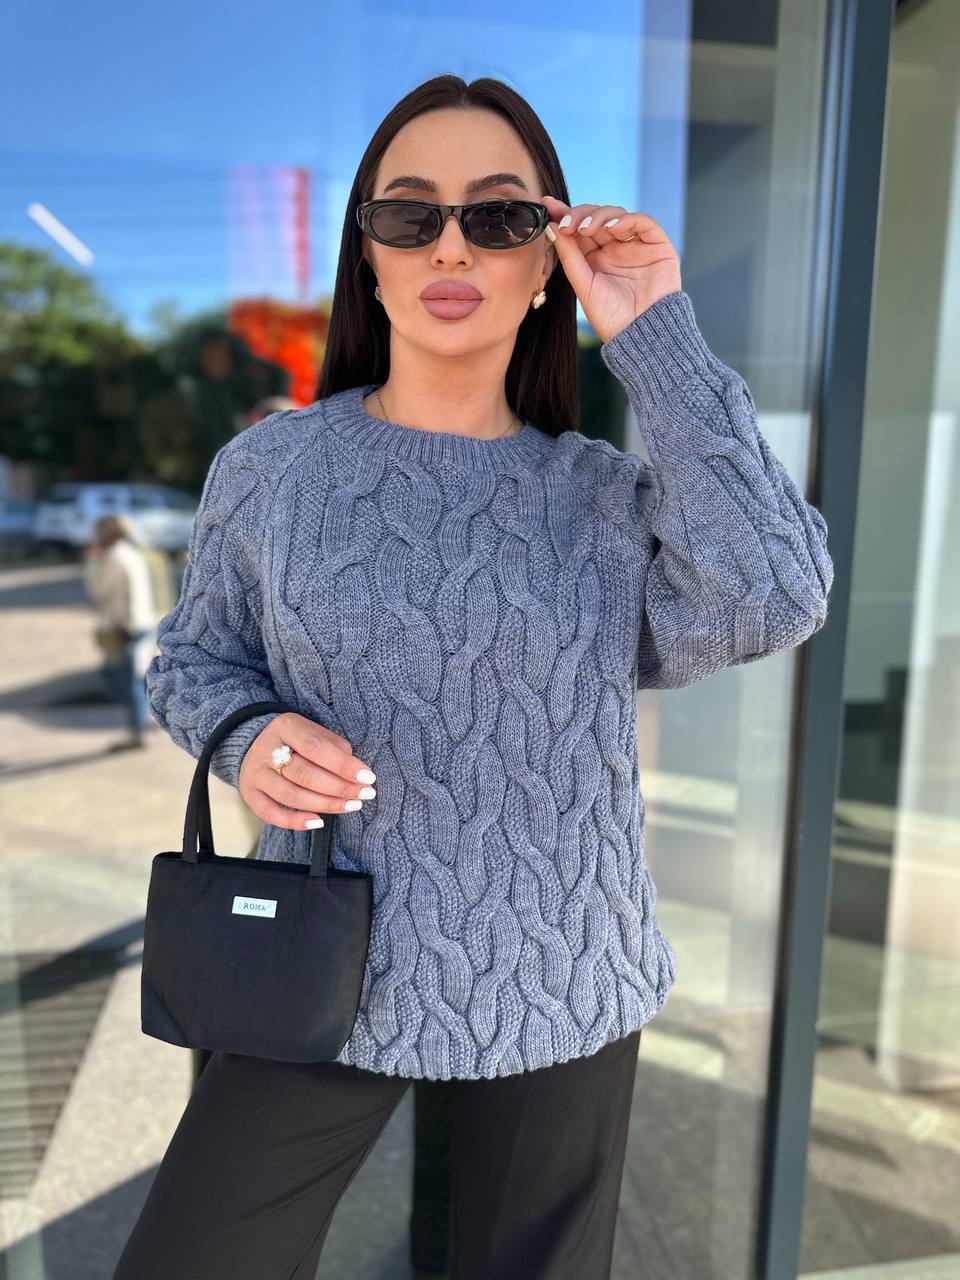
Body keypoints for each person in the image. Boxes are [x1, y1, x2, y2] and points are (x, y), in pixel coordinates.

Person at [113, 74, 834, 1280]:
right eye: (410, 215)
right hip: (310, 959)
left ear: (546, 256)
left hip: (564, 966)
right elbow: (193, 656)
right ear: (370, 254)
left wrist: (655, 337)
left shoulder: (604, 495)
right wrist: (247, 732)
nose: (450, 246)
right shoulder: (275, 469)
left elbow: (775, 592)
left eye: (498, 216)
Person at [83, 514, 157, 752]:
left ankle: (138, 730)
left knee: (120, 677)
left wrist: (93, 560)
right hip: (141, 621)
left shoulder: (113, 557)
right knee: (134, 676)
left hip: (125, 626)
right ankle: (142, 719)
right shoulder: (132, 552)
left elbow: (98, 590)